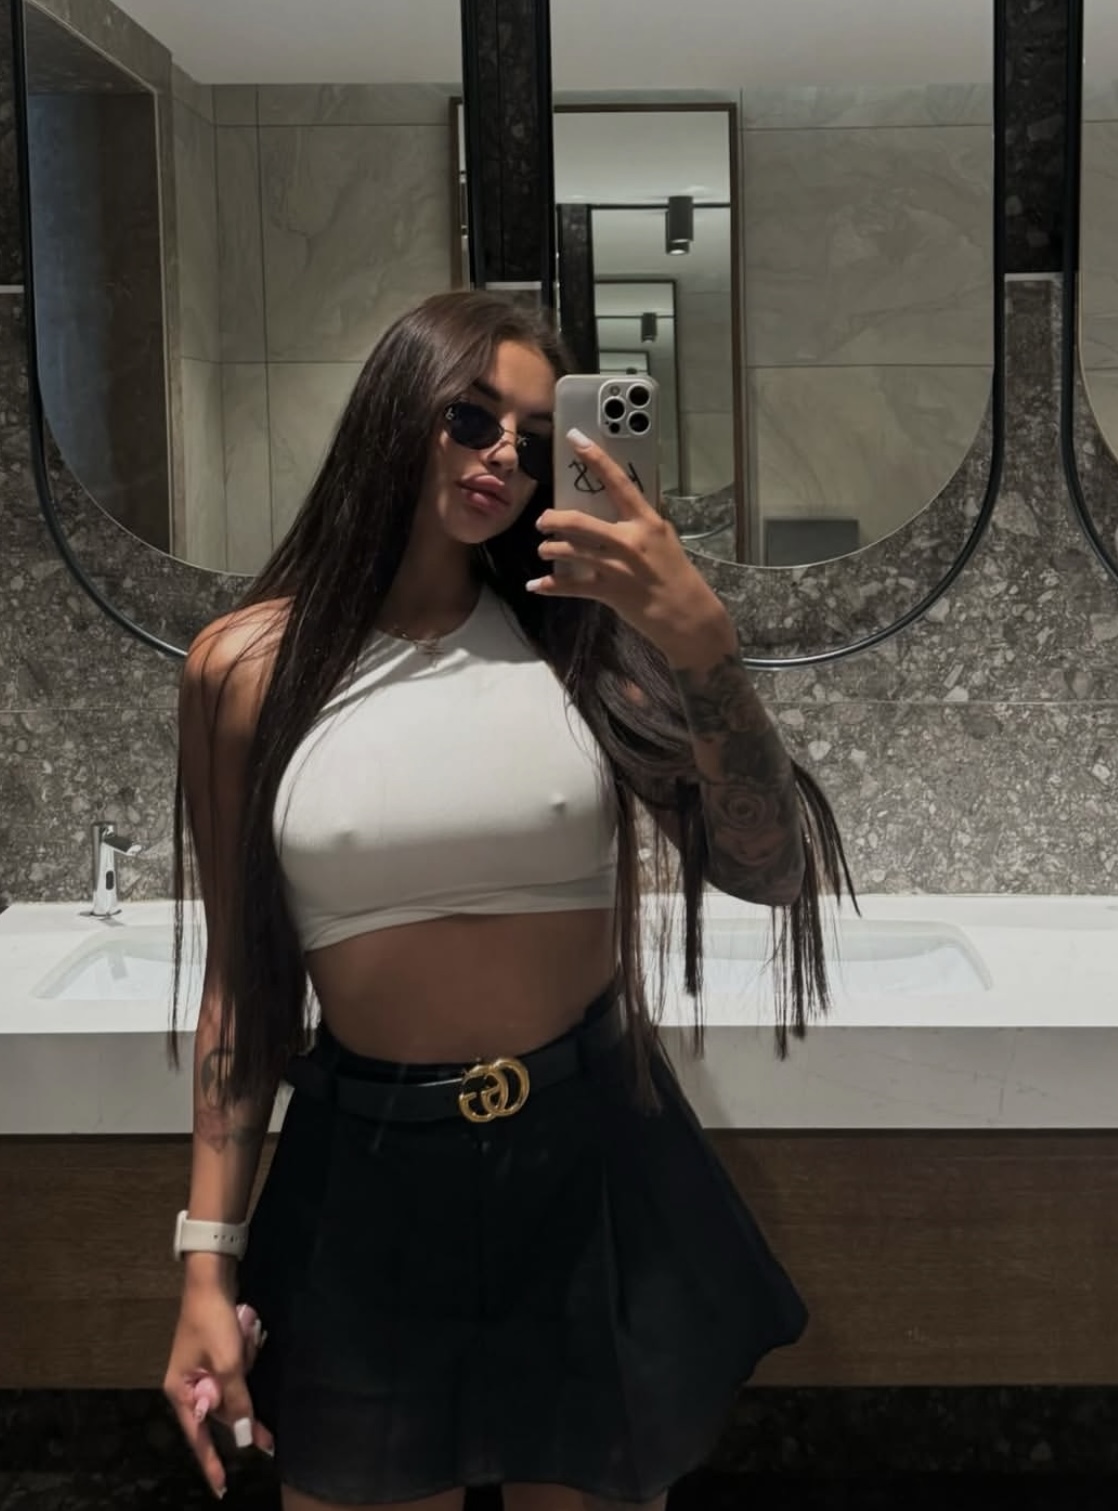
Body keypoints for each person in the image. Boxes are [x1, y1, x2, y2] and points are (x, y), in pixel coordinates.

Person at [162, 290, 853, 1511]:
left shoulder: (588, 646)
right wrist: (205, 1264)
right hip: (366, 1181)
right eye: (471, 417)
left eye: (534, 441)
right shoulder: (245, 670)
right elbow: (244, 989)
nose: (501, 456)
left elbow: (767, 866)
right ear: (394, 408)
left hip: (584, 1159)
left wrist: (701, 641)